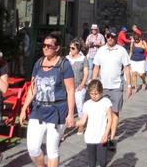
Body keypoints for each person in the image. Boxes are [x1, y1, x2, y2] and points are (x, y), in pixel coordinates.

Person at [19, 34, 75, 167]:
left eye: (49, 46)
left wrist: (71, 114)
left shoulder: (64, 64)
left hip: (57, 112)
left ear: (57, 48)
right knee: (33, 148)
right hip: (38, 110)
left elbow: (70, 90)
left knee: (52, 150)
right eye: (44, 45)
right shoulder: (38, 63)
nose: (45, 48)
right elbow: (33, 89)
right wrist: (23, 108)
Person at [92, 27, 132, 151]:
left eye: (112, 36)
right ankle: (105, 134)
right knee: (104, 113)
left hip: (116, 87)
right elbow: (96, 67)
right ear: (106, 36)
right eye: (108, 36)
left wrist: (129, 85)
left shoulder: (121, 50)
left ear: (116, 37)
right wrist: (93, 82)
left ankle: (112, 138)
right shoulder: (101, 50)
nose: (110, 38)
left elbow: (126, 68)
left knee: (115, 112)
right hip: (102, 87)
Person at [76, 79, 112, 167]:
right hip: (90, 137)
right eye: (91, 94)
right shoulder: (87, 104)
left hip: (101, 137)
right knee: (91, 163)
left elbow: (110, 119)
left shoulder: (106, 102)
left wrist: (106, 134)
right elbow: (83, 121)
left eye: (96, 93)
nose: (94, 96)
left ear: (101, 92)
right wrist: (74, 123)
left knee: (102, 162)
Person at [66, 39, 88, 134]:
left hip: (78, 87)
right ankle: (65, 127)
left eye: (73, 48)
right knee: (66, 108)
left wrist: (82, 85)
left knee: (79, 107)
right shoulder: (66, 58)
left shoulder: (83, 59)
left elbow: (86, 73)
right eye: (70, 47)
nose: (71, 49)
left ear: (78, 49)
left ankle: (81, 125)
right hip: (67, 88)